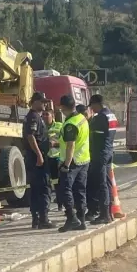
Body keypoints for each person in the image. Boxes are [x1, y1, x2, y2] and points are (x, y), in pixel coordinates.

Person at [55, 94, 91, 232]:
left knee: (65, 190)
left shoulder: (71, 124)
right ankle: (81, 221)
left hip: (72, 162)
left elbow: (71, 145)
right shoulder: (82, 118)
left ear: (63, 107)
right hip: (84, 160)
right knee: (80, 191)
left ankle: (72, 218)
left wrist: (66, 165)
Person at [85, 94, 119, 224]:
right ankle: (108, 212)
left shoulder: (100, 118)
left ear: (97, 104)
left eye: (92, 106)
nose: (91, 109)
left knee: (102, 184)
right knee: (107, 183)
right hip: (109, 150)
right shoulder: (111, 115)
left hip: (100, 154)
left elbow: (95, 137)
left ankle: (104, 214)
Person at [23, 92, 54, 229]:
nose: (44, 104)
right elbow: (31, 136)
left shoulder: (36, 116)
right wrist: (39, 155)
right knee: (43, 188)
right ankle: (43, 219)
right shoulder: (34, 117)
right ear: (35, 102)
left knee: (36, 189)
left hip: (36, 157)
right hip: (37, 158)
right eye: (42, 102)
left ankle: (36, 219)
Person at [44, 107, 63, 212]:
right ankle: (47, 206)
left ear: (53, 116)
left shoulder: (60, 126)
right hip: (46, 158)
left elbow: (68, 142)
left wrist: (55, 144)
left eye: (47, 114)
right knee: (47, 183)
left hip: (58, 158)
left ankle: (60, 204)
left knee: (58, 183)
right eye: (43, 115)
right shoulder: (41, 127)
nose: (45, 117)